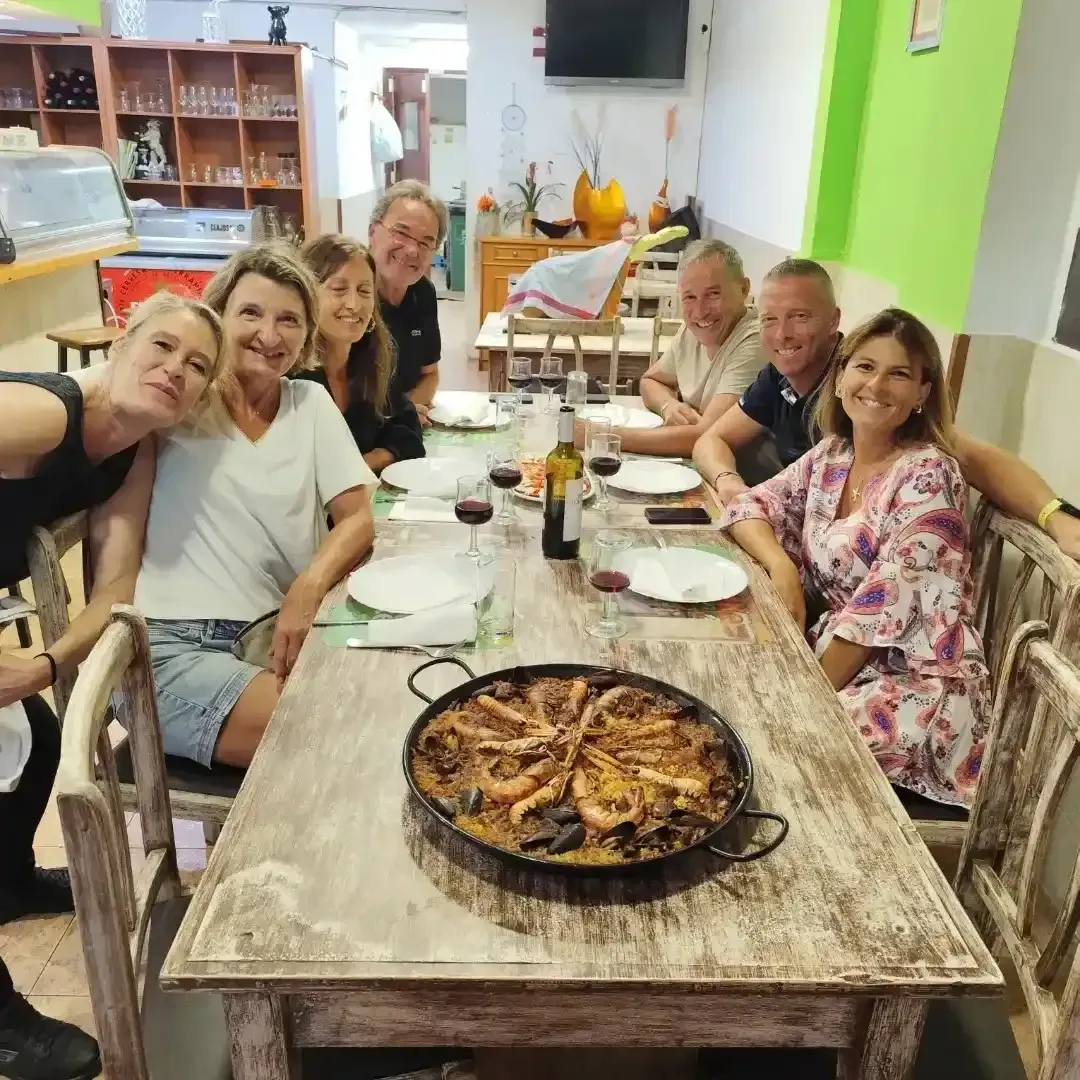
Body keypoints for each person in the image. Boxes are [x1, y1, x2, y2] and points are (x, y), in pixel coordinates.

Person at [0, 292, 225, 1080]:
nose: (175, 371)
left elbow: (111, 593)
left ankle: (12, 881)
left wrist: (44, 666)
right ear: (121, 343)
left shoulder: (136, 448)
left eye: (197, 366)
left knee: (36, 746)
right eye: (162, 347)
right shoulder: (46, 415)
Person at [723, 309, 988, 806]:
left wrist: (802, 700)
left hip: (916, 689)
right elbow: (750, 505)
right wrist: (781, 565)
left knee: (757, 748)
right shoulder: (834, 454)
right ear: (841, 376)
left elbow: (878, 613)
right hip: (843, 658)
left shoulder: (928, 475)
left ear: (922, 395)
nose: (877, 385)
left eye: (900, 374)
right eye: (865, 367)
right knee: (727, 694)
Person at [132, 244, 377, 770]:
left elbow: (357, 516)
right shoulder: (180, 400)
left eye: (288, 319)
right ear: (218, 317)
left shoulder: (308, 405)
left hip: (271, 636)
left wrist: (308, 585)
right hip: (168, 650)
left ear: (307, 335)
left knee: (383, 696)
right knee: (336, 732)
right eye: (250, 313)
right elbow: (100, 398)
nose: (269, 335)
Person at [694, 258, 1080, 559]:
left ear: (834, 321)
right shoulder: (779, 379)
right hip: (807, 563)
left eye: (799, 317)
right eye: (770, 319)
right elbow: (710, 441)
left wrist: (1054, 516)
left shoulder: (862, 392)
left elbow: (969, 453)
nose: (782, 334)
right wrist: (728, 480)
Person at [583, 238, 766, 458]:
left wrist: (601, 435)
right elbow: (650, 380)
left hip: (743, 477)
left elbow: (706, 436)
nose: (700, 312)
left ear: (744, 289)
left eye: (713, 294)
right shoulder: (693, 330)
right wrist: (668, 405)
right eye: (689, 297)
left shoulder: (756, 339)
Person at [296, 233, 424, 475]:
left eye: (364, 291)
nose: (354, 304)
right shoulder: (289, 375)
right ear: (306, 296)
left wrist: (369, 461)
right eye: (339, 289)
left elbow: (408, 430)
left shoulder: (371, 359)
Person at [367, 180, 449, 426]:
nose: (413, 250)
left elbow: (430, 374)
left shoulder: (423, 293)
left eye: (425, 242)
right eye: (401, 232)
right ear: (372, 231)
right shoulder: (350, 292)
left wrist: (403, 415)